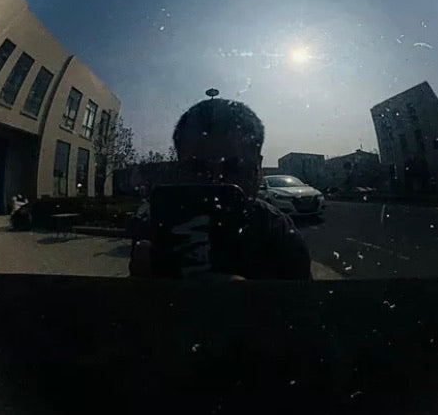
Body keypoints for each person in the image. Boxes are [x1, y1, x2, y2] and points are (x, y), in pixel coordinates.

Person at [130, 97, 311, 280]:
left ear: (259, 168)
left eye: (234, 168)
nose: (216, 183)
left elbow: (304, 296)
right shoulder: (156, 224)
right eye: (198, 169)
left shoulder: (277, 230)